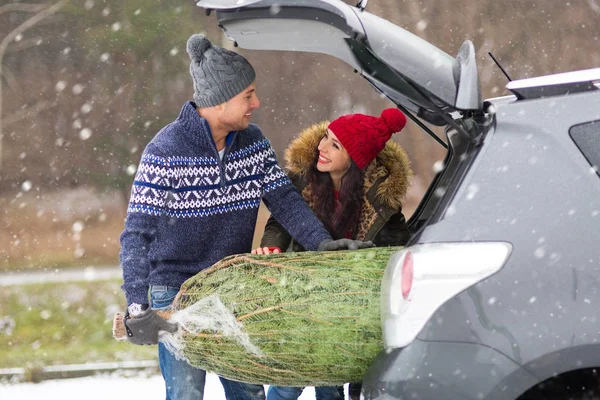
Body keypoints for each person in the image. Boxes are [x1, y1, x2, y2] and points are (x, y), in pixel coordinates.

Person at [119, 34, 373, 400]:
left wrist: (321, 241)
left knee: (248, 392)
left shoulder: (253, 142)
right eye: (247, 95)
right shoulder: (165, 151)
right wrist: (137, 304)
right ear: (220, 101)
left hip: (232, 288)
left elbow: (284, 201)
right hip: (173, 291)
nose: (257, 102)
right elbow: (136, 234)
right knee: (187, 393)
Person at [253, 108, 413, 400]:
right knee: (290, 384)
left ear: (356, 159)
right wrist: (272, 244)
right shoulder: (302, 180)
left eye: (335, 145)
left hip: (348, 306)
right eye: (326, 137)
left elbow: (394, 251)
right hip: (303, 294)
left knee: (334, 385)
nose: (321, 147)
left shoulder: (380, 199)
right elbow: (281, 220)